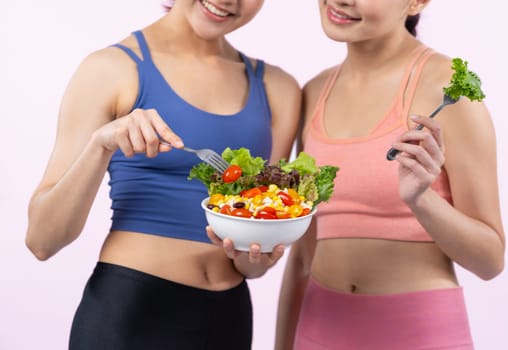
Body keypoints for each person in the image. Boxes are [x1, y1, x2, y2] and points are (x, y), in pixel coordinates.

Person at [25, 1, 301, 349]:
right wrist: (100, 146)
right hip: (130, 315)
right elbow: (42, 241)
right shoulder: (111, 69)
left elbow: (252, 266)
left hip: (227, 320)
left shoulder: (278, 88)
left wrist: (255, 256)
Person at [275, 1, 505, 349]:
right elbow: (304, 256)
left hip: (419, 335)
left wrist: (421, 200)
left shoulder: (449, 91)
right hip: (318, 331)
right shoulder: (314, 92)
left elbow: (490, 260)